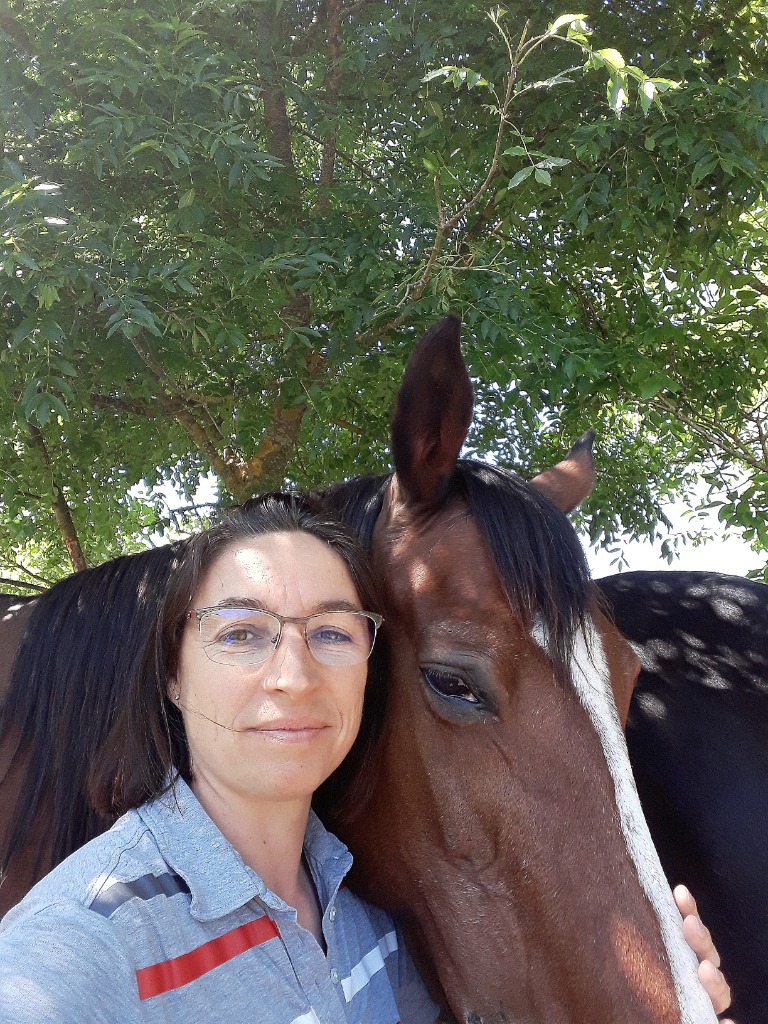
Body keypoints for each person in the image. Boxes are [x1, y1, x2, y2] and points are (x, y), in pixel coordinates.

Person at [0, 493, 732, 1022]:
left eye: (332, 632)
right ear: (172, 672)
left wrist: (655, 984)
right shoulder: (74, 956)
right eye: (240, 633)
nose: (292, 674)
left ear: (370, 667)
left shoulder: (369, 925)